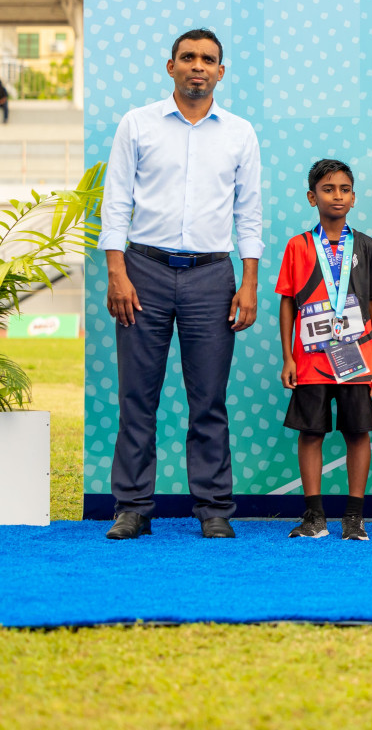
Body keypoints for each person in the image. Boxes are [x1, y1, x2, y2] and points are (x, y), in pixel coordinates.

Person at [100, 28, 261, 540]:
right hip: (141, 270)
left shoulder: (240, 133)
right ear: (170, 66)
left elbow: (249, 213)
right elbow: (116, 201)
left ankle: (214, 507)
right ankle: (132, 507)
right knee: (136, 396)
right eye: (188, 58)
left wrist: (250, 282)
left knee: (208, 398)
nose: (198, 66)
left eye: (208, 60)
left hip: (212, 276)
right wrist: (116, 271)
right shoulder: (137, 124)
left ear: (220, 72)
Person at [277, 159, 372, 541]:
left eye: (343, 189)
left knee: (358, 432)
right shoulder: (298, 246)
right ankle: (313, 515)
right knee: (311, 433)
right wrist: (288, 356)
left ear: (353, 197)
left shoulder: (366, 246)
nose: (336, 195)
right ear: (312, 197)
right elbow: (288, 303)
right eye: (327, 189)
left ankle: (353, 517)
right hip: (310, 361)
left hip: (356, 358)